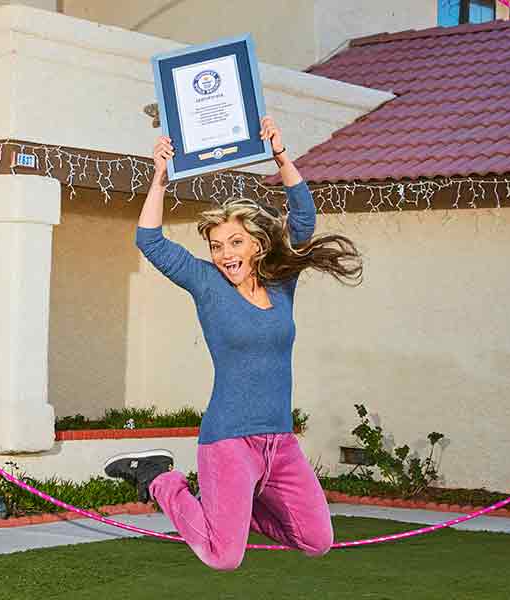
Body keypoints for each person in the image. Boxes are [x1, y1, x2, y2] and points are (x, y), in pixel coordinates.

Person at [103, 116, 363, 571]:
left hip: (279, 444)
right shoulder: (207, 284)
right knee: (224, 557)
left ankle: (234, 508)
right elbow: (150, 240)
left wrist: (281, 154)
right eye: (217, 245)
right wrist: (160, 176)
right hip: (229, 442)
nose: (225, 254)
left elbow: (303, 217)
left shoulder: (282, 283)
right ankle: (160, 479)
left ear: (258, 245)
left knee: (317, 540)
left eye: (235, 242)